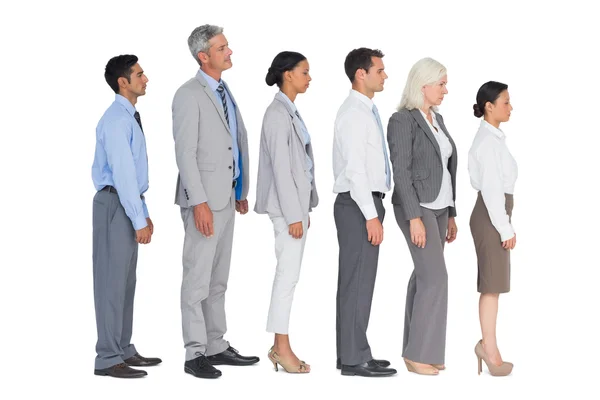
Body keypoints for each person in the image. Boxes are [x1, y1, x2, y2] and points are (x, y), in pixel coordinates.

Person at [172, 24, 259, 379]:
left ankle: (216, 344)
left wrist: (240, 189)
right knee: (197, 278)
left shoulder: (224, 89)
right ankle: (194, 354)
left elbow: (233, 141)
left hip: (227, 198)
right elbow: (186, 154)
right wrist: (200, 203)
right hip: (204, 202)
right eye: (223, 48)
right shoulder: (188, 94)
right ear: (203, 56)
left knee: (218, 278)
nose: (230, 52)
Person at [91, 54, 162, 378]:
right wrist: (137, 218)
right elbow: (122, 174)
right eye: (139, 73)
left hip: (127, 202)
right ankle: (107, 357)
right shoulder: (118, 120)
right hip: (114, 204)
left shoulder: (129, 116)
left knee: (125, 282)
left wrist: (142, 214)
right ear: (123, 81)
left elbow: (133, 174)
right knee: (111, 282)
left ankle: (122, 347)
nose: (145, 78)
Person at [387, 57, 458, 375]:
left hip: (441, 208)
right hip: (416, 207)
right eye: (441, 83)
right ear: (423, 85)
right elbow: (399, 171)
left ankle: (417, 348)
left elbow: (445, 168)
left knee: (423, 276)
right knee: (435, 278)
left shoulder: (437, 120)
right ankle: (418, 354)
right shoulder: (402, 120)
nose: (446, 89)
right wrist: (414, 217)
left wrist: (452, 213)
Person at [332, 47, 397, 378]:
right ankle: (355, 358)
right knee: (357, 282)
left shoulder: (365, 111)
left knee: (355, 282)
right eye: (380, 70)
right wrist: (371, 215)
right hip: (359, 205)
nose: (384, 75)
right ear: (362, 73)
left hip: (361, 204)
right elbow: (356, 171)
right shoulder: (355, 114)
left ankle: (351, 353)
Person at [254, 51, 319, 374]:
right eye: (305, 72)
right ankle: (281, 347)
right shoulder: (277, 114)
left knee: (289, 276)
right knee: (286, 278)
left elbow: (301, 165)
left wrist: (305, 208)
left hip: (296, 209)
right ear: (288, 75)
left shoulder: (289, 111)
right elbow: (281, 169)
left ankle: (280, 345)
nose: (310, 78)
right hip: (286, 211)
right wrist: (294, 214)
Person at [468, 81, 516, 377]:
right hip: (491, 215)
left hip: (496, 213)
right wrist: (505, 228)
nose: (511, 108)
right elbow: (491, 189)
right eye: (506, 102)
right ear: (489, 106)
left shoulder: (495, 139)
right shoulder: (486, 142)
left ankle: (489, 346)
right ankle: (489, 349)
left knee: (494, 284)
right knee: (492, 285)